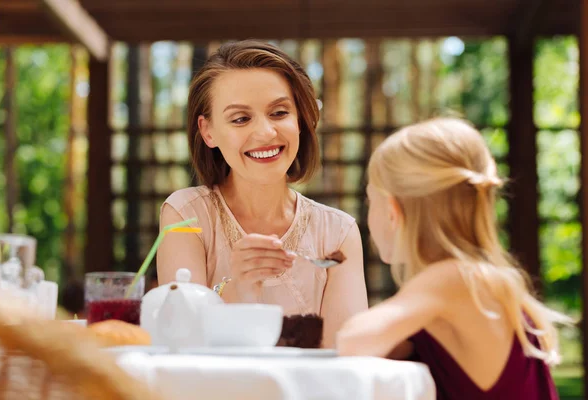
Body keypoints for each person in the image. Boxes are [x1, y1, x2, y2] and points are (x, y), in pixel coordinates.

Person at [336, 117, 571, 399]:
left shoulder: (451, 278)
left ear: (392, 211)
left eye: (369, 200)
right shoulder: (479, 280)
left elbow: (352, 340)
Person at [157, 40, 368, 348]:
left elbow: (345, 354)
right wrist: (239, 287)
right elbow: (180, 344)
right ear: (208, 131)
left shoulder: (338, 233)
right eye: (241, 119)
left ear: (300, 121)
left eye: (279, 112)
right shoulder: (185, 215)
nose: (266, 132)